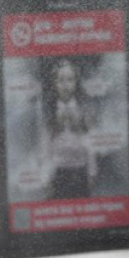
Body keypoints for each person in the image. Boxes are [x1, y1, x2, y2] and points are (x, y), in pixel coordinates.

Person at [45, 58, 97, 200]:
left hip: (80, 169)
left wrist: (92, 171)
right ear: (54, 83)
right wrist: (47, 175)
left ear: (75, 82)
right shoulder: (50, 111)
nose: (65, 85)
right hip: (59, 171)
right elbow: (46, 144)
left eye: (69, 79)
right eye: (61, 80)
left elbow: (89, 141)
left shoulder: (83, 109)